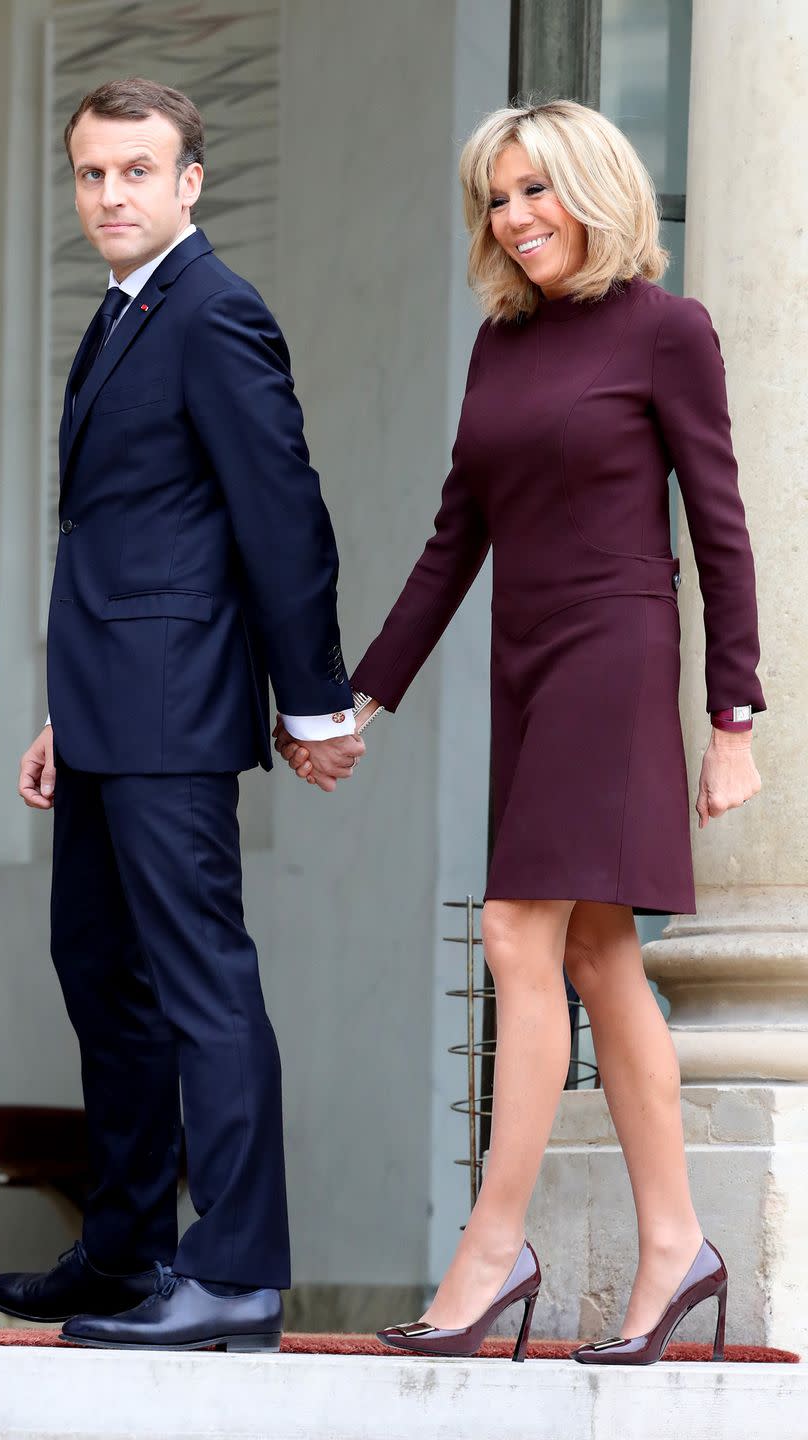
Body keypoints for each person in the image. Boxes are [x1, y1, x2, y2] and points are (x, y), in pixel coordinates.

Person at [276, 99, 764, 1365]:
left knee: (513, 931)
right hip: (524, 662)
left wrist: (732, 716)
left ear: (596, 192)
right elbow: (456, 542)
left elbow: (721, 530)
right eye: (497, 197)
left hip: (613, 647)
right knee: (600, 957)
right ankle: (679, 1250)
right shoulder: (502, 344)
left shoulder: (668, 331)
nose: (516, 217)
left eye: (538, 189)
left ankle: (491, 1252)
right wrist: (357, 697)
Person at [0, 77, 364, 1353]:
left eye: (136, 172)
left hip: (177, 710)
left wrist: (310, 703)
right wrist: (58, 710)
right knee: (100, 972)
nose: (109, 195)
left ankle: (239, 1269)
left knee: (202, 984)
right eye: (92, 174)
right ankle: (130, 1250)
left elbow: (283, 519)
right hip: (103, 709)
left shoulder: (215, 313)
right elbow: (123, 534)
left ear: (190, 181)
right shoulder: (122, 312)